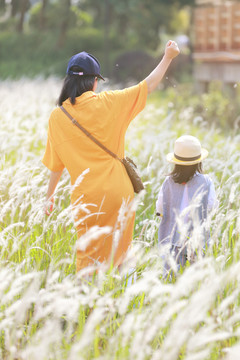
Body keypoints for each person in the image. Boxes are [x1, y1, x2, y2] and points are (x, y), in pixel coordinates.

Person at [42, 41, 180, 273]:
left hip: (86, 198)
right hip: (119, 193)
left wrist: (49, 196)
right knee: (120, 253)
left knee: (88, 258)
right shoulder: (109, 102)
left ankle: (88, 304)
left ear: (69, 81)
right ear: (94, 81)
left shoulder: (58, 116)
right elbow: (148, 85)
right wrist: (168, 57)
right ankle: (120, 301)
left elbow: (56, 165)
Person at [156, 135, 218, 272]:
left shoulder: (168, 182)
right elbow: (211, 206)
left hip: (171, 239)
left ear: (176, 161)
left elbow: (160, 208)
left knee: (171, 275)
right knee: (195, 276)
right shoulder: (206, 182)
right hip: (196, 239)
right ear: (198, 161)